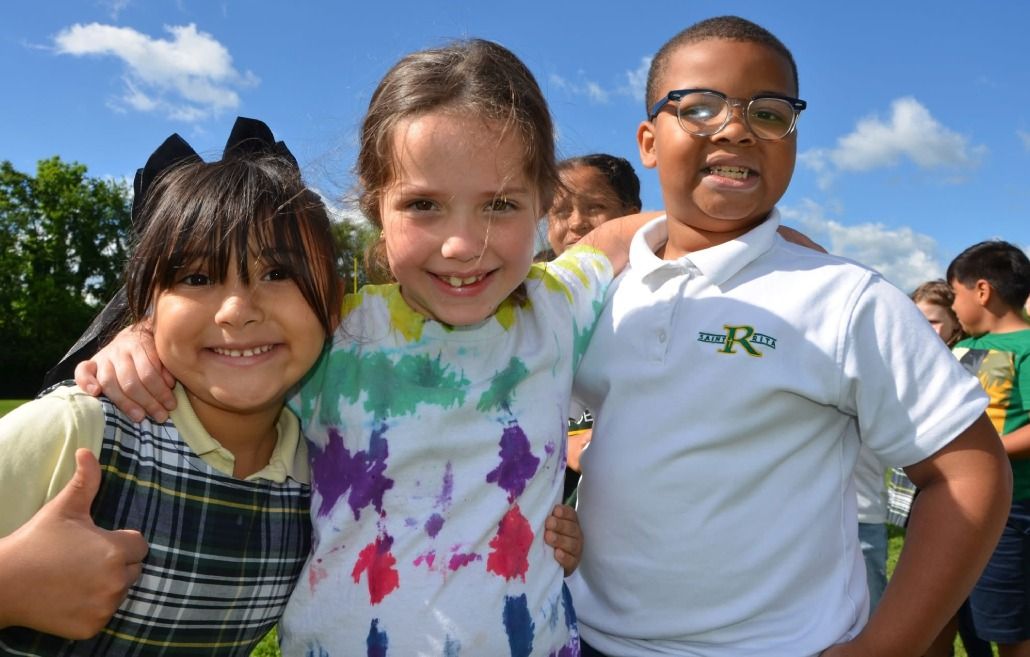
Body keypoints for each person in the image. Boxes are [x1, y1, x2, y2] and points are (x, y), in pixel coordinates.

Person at [72, 39, 649, 656]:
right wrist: (139, 336)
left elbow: (615, 237)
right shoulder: (334, 333)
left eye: (500, 205)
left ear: (542, 204)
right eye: (423, 205)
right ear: (376, 205)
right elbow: (218, 338)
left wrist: (723, 230)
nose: (462, 245)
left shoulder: (555, 305)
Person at [566, 16, 1011, 657]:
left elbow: (969, 473)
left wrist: (886, 646)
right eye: (699, 107)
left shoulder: (845, 298)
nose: (736, 128)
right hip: (583, 637)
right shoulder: (599, 290)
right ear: (649, 140)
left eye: (770, 113)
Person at [0, 117, 341, 655]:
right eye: (197, 278)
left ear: (335, 299)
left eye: (278, 273)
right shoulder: (77, 430)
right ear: (146, 309)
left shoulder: (323, 480)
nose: (237, 311)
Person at [948, 240, 1030, 657]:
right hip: (954, 506)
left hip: (1010, 510)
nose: (953, 307)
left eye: (955, 294)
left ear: (982, 291)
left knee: (1008, 625)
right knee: (951, 611)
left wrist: (980, 451)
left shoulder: (1026, 347)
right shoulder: (963, 348)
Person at [546, 153, 643, 503]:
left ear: (632, 216)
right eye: (560, 211)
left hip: (616, 489)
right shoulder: (528, 293)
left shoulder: (652, 296)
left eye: (595, 207)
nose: (577, 222)